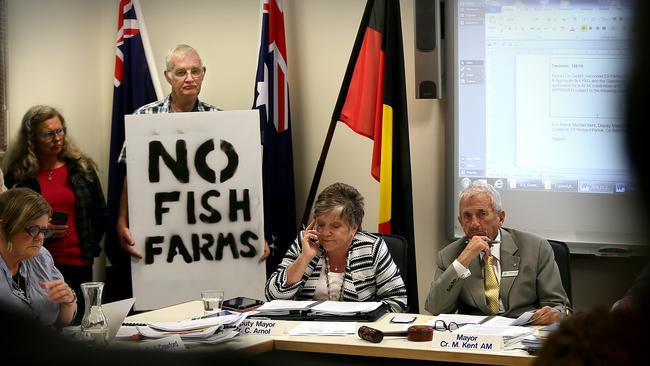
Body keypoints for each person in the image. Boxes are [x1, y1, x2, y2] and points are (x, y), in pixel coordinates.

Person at [115, 44, 270, 262]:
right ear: (168, 76)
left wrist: (253, 232)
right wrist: (123, 221)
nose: (189, 78)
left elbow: (235, 184)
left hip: (206, 224)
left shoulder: (220, 120)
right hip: (163, 225)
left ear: (203, 73)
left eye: (195, 71)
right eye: (180, 72)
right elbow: (132, 175)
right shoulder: (144, 117)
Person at [2, 105, 107, 324]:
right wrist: (43, 230)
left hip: (76, 258)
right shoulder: (19, 173)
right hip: (33, 254)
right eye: (49, 134)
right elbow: (14, 210)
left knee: (75, 317)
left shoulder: (80, 167)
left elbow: (99, 212)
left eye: (60, 131)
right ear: (32, 138)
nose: (57, 138)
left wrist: (87, 245)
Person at [425, 181, 568, 325]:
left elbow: (558, 306)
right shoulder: (449, 255)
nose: (474, 223)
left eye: (482, 214)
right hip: (474, 337)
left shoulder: (536, 248)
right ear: (461, 221)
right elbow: (435, 308)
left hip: (524, 332)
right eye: (467, 216)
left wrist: (553, 314)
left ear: (500, 218)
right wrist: (463, 260)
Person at [265, 182, 407, 312]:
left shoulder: (371, 248)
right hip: (307, 331)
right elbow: (272, 296)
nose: (325, 233)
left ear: (354, 228)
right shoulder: (306, 242)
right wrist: (304, 257)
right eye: (320, 224)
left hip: (357, 333)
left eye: (335, 226)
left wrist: (366, 321)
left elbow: (397, 300)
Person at [0, 188, 77, 326]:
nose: (40, 238)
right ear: (2, 228)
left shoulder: (41, 256)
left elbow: (62, 322)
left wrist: (68, 302)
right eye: (33, 229)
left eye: (44, 230)